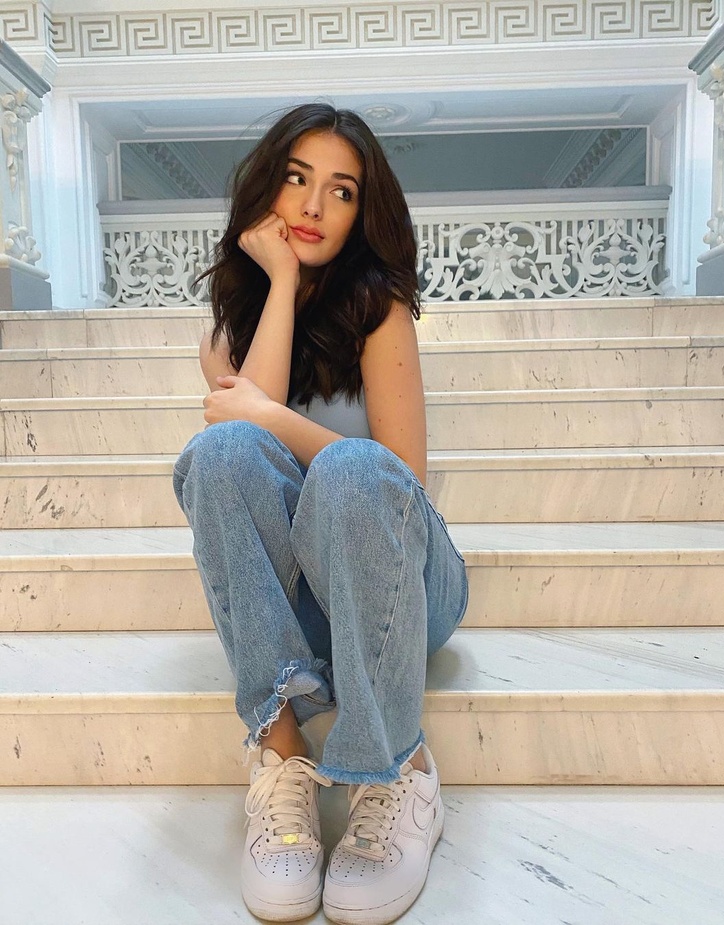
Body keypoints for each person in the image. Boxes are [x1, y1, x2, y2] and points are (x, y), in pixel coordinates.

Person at [172, 103, 469, 924]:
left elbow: (401, 484)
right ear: (266, 188)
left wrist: (270, 417)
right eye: (297, 180)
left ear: (362, 213)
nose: (312, 206)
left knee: (350, 466)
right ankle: (282, 757)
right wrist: (279, 283)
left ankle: (397, 770)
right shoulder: (229, 330)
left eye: (341, 191)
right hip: (309, 593)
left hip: (405, 580)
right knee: (220, 454)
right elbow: (246, 429)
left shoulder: (381, 309)